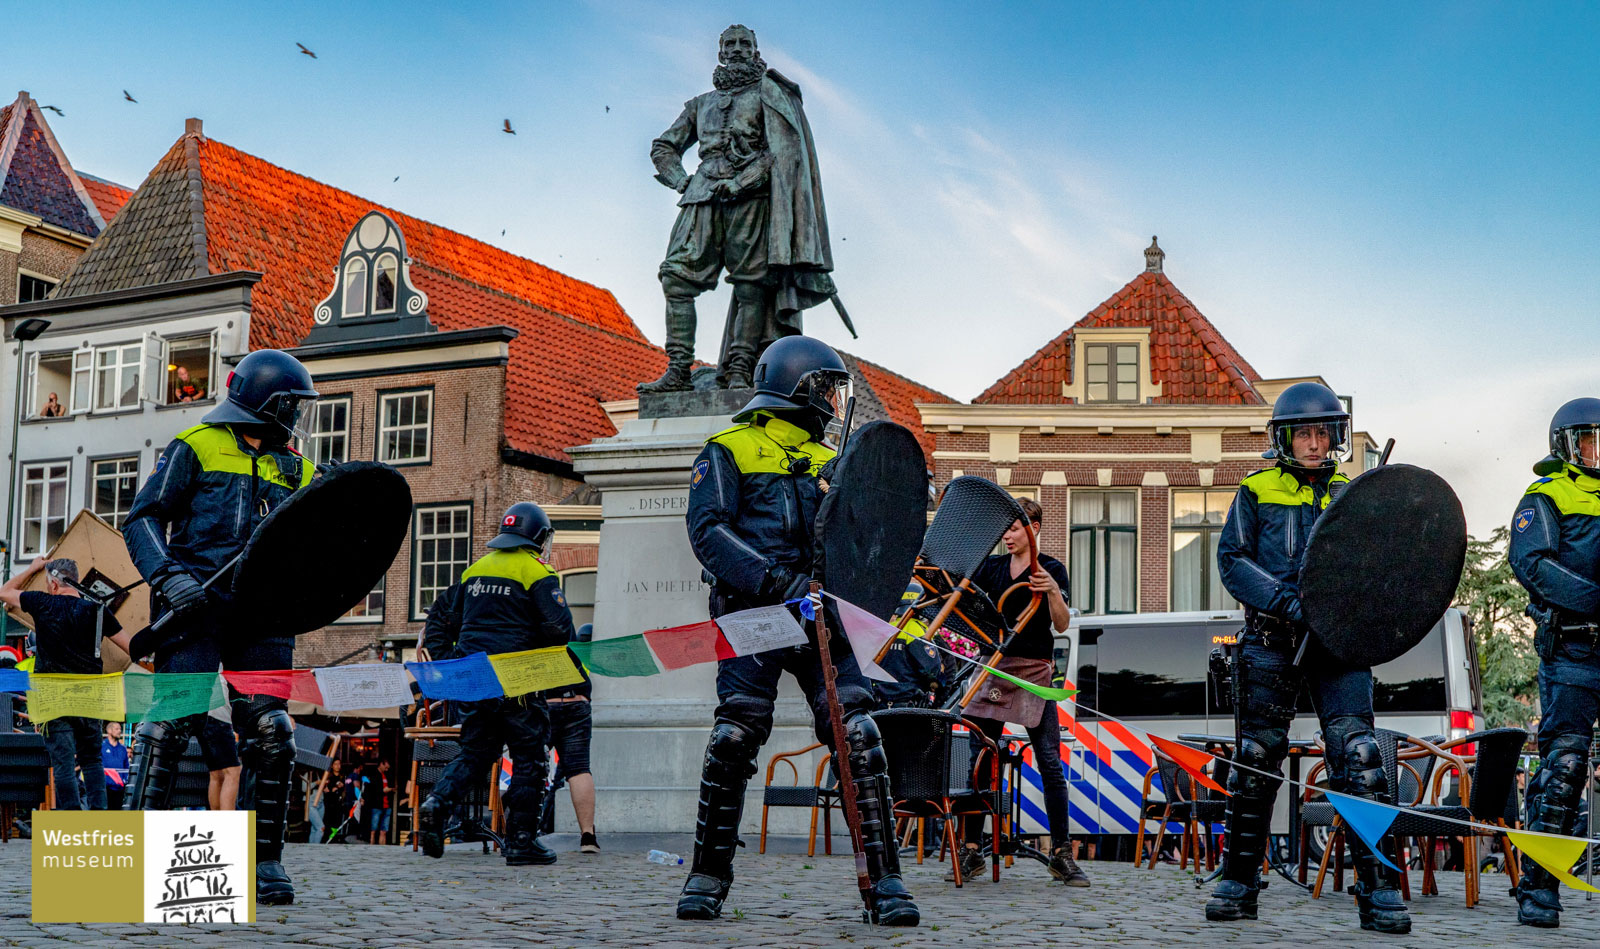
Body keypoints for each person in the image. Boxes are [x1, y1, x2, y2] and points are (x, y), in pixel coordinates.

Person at [679, 336, 917, 926]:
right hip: (755, 612)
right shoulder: (728, 448)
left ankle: (886, 882)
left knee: (859, 733)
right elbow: (707, 531)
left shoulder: (832, 461)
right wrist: (775, 580)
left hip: (823, 618)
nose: (835, 401)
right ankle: (707, 875)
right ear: (795, 385)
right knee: (735, 736)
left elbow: (863, 543)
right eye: (827, 388)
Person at [1206, 381, 1409, 934]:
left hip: (1338, 648)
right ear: (1284, 439)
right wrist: (1289, 602)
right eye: (1304, 434)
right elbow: (1233, 562)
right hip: (1272, 639)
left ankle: (1380, 887)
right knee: (1256, 757)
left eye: (1323, 432)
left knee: (1361, 757)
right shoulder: (1256, 490)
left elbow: (1378, 573)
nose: (1315, 444)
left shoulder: (1354, 492)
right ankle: (1239, 881)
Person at [120, 348, 318, 906]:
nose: (297, 415)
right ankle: (136, 856)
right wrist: (168, 575)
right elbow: (144, 519)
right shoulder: (196, 445)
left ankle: (264, 862)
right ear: (266, 402)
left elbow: (316, 549)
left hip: (265, 617)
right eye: (291, 404)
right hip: (195, 606)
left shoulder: (299, 468)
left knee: (273, 730)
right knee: (171, 725)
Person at [639, 24, 836, 392]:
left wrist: (743, 181)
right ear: (720, 52)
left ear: (756, 50)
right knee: (675, 277)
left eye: (745, 43)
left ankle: (741, 368)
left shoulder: (769, 94)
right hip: (701, 199)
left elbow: (781, 153)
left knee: (752, 285)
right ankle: (678, 370)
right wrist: (682, 181)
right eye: (730, 43)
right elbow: (664, 146)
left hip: (751, 201)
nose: (737, 49)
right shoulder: (700, 104)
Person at [416, 501, 575, 867]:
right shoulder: (536, 571)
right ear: (537, 535)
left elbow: (438, 621)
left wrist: (454, 667)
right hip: (518, 681)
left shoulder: (474, 570)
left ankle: (436, 803)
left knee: (475, 753)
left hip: (475, 680)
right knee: (530, 757)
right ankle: (521, 841)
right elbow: (559, 629)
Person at [951, 498, 1088, 887]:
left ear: (1035, 528)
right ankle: (972, 848)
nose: (1007, 536)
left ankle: (1061, 852)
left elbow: (1061, 626)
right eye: (1005, 530)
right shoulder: (991, 568)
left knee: (1049, 762)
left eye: (1014, 529)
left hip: (1033, 672)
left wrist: (1053, 593)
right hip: (994, 668)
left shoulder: (1053, 569)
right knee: (979, 762)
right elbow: (968, 613)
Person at [1508, 397, 1600, 928]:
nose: (1596, 449)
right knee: (1564, 766)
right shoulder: (1546, 495)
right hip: (1573, 651)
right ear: (1567, 444)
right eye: (1589, 438)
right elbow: (1531, 562)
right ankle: (1539, 890)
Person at [0, 556, 120, 810]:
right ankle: (101, 824)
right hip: (90, 697)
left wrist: (32, 568)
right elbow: (131, 645)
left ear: (53, 584)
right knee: (92, 761)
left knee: (64, 764)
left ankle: (71, 827)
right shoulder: (97, 610)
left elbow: (4, 592)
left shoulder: (42, 602)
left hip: (54, 700)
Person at [546, 623, 598, 853]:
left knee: (530, 765)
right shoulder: (561, 618)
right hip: (575, 699)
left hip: (542, 702)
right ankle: (588, 836)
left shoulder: (521, 621)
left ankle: (523, 834)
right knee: (578, 769)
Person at [199, 714, 240, 811]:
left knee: (217, 774)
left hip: (204, 716)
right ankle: (227, 823)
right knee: (233, 772)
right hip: (219, 717)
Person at [102, 722, 130, 811]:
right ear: (109, 730)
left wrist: (125, 780)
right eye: (117, 729)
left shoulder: (123, 749)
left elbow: (126, 766)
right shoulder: (101, 746)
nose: (120, 731)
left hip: (120, 789)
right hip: (105, 789)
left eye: (120, 729)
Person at [366, 760, 392, 845]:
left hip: (386, 805)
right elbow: (371, 790)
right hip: (376, 805)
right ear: (381, 764)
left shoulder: (387, 775)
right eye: (385, 767)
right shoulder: (374, 775)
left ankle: (382, 848)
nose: (386, 769)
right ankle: (371, 845)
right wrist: (383, 791)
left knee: (384, 830)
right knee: (373, 829)